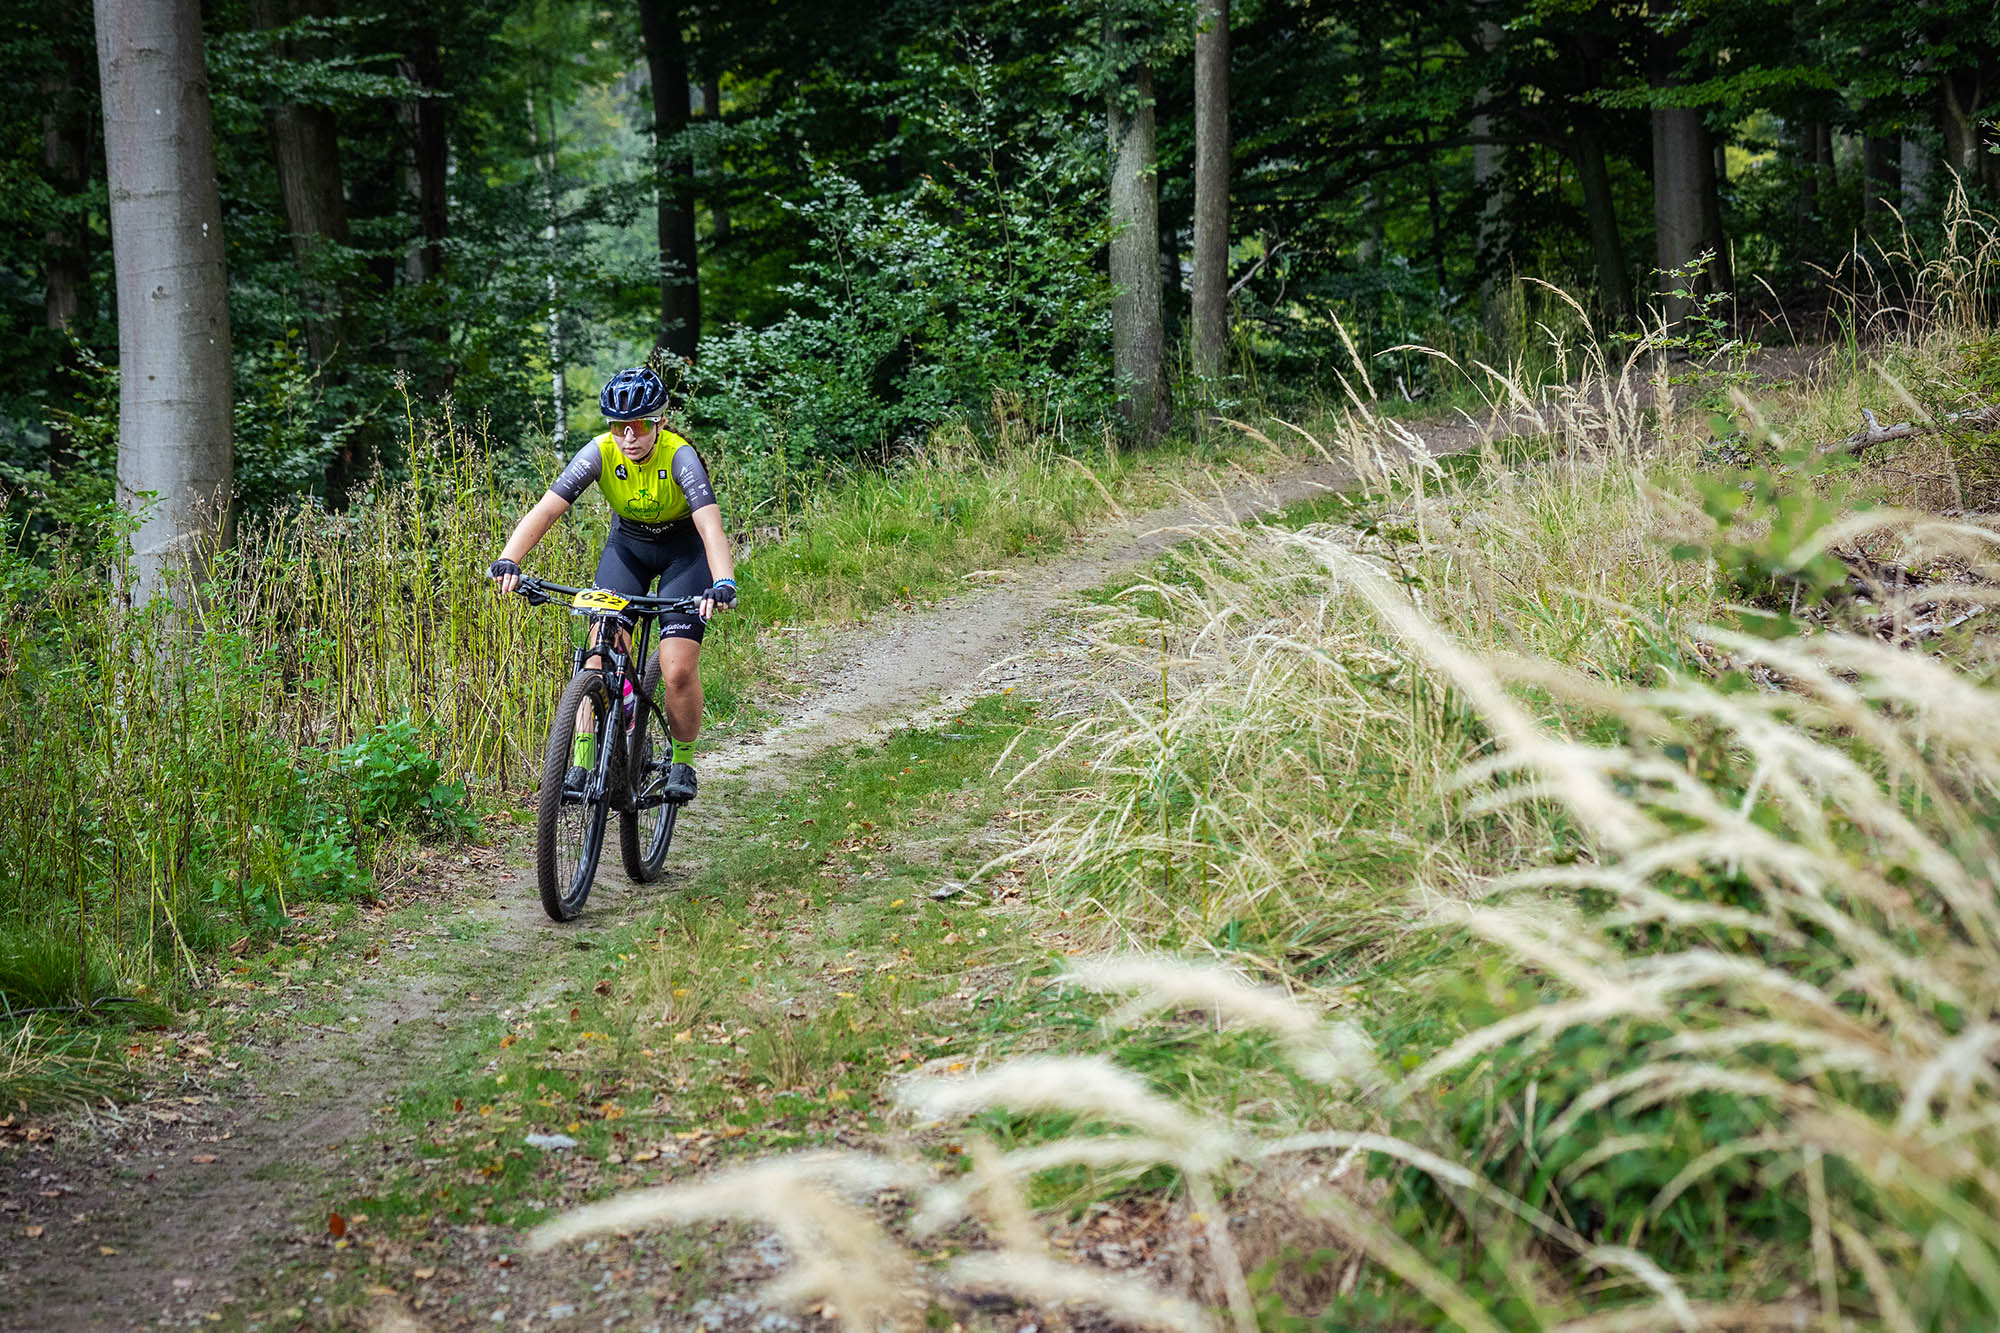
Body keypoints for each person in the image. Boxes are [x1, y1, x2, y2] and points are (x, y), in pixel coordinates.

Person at [488, 366, 736, 804]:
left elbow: (709, 527)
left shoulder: (680, 457)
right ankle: (583, 761)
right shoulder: (600, 452)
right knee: (598, 657)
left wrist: (723, 582)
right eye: (619, 427)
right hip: (628, 550)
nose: (629, 436)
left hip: (684, 554)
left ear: (659, 423)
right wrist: (510, 559)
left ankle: (682, 761)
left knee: (677, 668)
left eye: (639, 425)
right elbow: (547, 510)